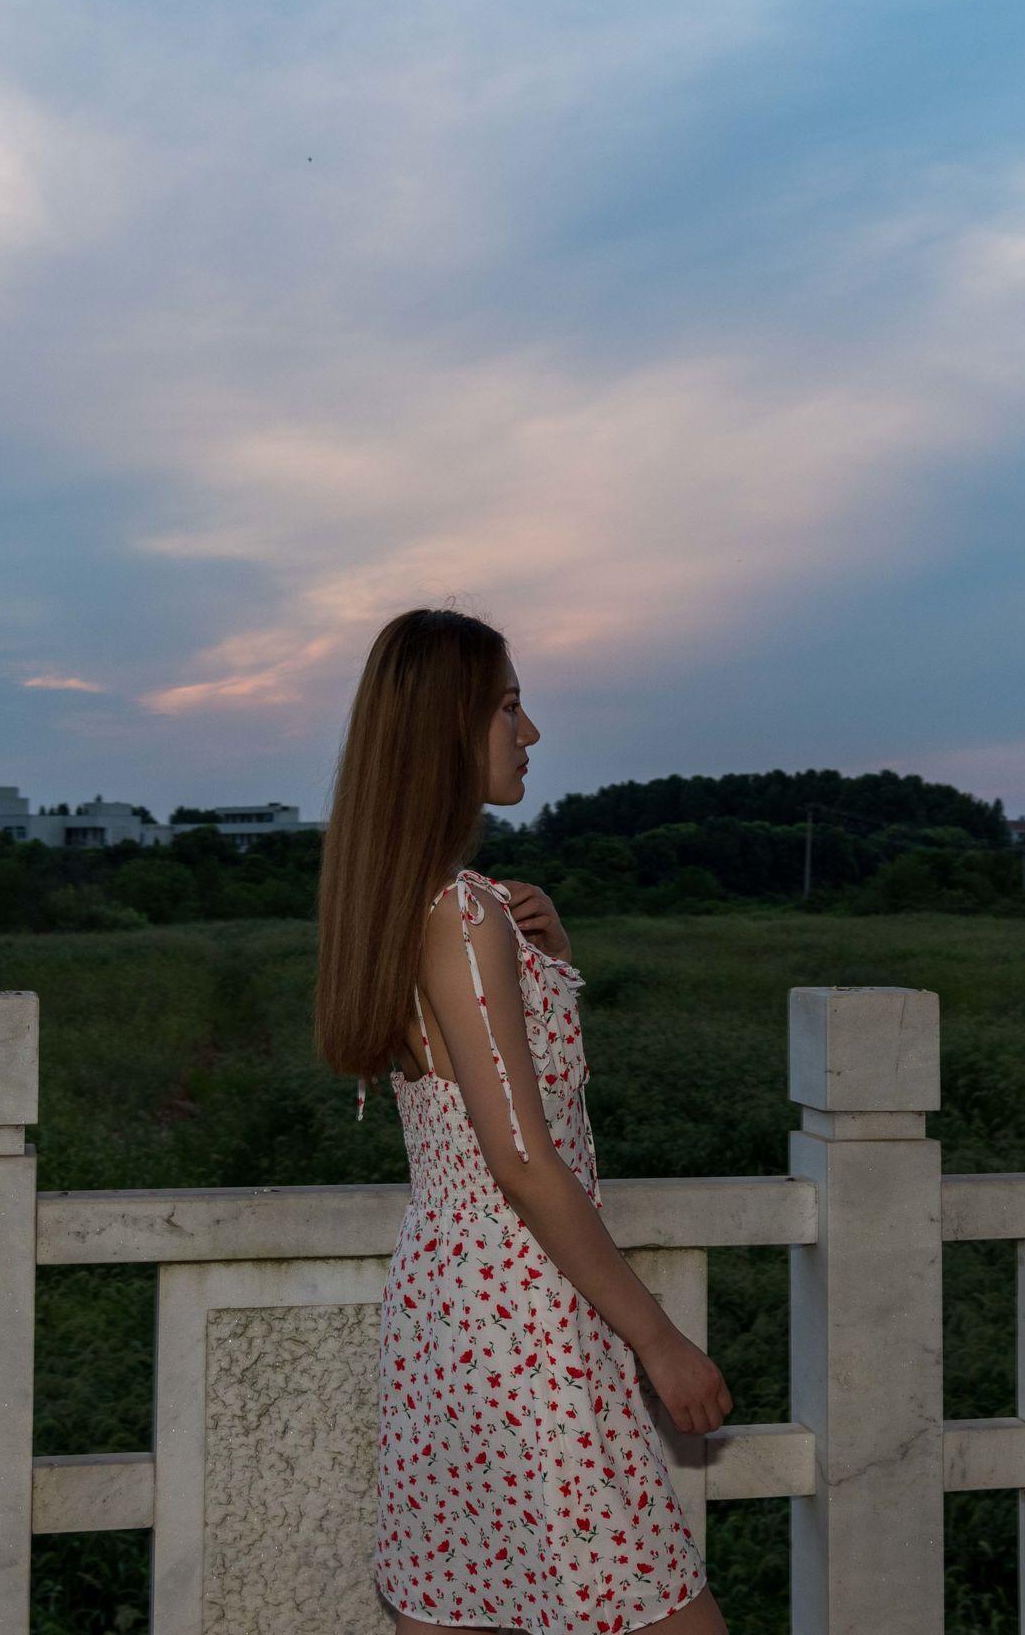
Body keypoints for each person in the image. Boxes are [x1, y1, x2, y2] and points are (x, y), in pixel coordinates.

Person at [315, 605, 732, 1635]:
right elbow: (525, 1162)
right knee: (652, 1604)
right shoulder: (460, 915)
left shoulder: (415, 907)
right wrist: (661, 1342)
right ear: (448, 729)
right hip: (526, 1322)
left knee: (458, 1601)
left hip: (446, 1316)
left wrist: (547, 959)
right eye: (508, 707)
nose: (530, 731)